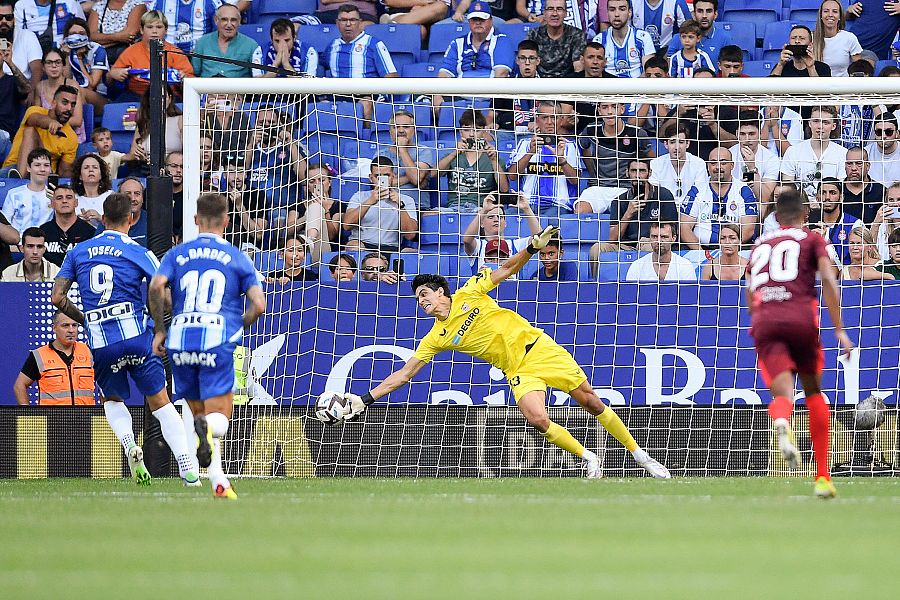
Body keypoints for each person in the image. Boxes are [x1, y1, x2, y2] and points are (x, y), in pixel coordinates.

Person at [336, 224, 671, 480]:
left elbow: (507, 269)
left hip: (539, 349)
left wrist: (531, 248)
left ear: (441, 292)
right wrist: (365, 399)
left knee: (592, 402)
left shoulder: (470, 292)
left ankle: (639, 455)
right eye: (417, 298)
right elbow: (404, 374)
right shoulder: (436, 337)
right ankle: (589, 458)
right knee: (537, 419)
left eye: (424, 294)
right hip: (517, 370)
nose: (421, 301)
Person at [51, 192, 199, 487]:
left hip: (102, 342)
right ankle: (187, 466)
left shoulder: (78, 252)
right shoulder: (138, 251)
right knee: (161, 403)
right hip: (136, 338)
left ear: (103, 219)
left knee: (112, 399)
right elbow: (160, 292)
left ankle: (130, 444)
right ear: (131, 219)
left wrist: (86, 319)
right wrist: (163, 326)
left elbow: (57, 297)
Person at [148, 192, 265, 499]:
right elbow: (259, 305)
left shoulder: (177, 253)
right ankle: (210, 439)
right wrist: (236, 327)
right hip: (216, 339)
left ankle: (218, 482)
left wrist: (160, 329)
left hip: (180, 340)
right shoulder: (237, 257)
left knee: (199, 415)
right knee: (219, 419)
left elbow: (156, 286)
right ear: (227, 221)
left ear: (195, 219)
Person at [747, 187, 854, 499]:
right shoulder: (812, 238)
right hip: (800, 319)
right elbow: (829, 280)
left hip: (765, 321)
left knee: (782, 393)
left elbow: (750, 289)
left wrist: (760, 319)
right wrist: (839, 330)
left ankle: (782, 419)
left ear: (776, 215)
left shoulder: (760, 244)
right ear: (806, 213)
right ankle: (822, 478)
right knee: (813, 392)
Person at [507, 99, 585, 215]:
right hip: (526, 203)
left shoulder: (569, 146)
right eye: (544, 118)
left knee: (550, 221)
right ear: (537, 120)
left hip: (557, 205)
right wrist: (530, 153)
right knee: (508, 216)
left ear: (561, 120)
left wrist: (561, 160)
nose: (549, 122)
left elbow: (575, 181)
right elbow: (512, 176)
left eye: (554, 117)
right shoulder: (524, 143)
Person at [327, 4, 398, 121]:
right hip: (339, 95)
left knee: (365, 103)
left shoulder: (373, 44)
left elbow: (391, 76)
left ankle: (366, 132)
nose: (348, 24)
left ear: (360, 22)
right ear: (337, 23)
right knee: (321, 104)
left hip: (367, 94)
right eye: (343, 20)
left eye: (352, 20)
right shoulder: (332, 46)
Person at [680, 146, 759, 249]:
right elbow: (684, 227)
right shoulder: (697, 190)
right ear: (708, 166)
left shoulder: (744, 191)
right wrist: (701, 253)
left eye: (723, 163)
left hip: (736, 249)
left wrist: (728, 250)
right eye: (713, 163)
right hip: (701, 250)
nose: (718, 167)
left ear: (732, 165)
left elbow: (748, 229)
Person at [108, 10, 194, 100]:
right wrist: (114, 74)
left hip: (169, 96)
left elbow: (191, 82)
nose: (154, 31)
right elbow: (110, 78)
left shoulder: (175, 52)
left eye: (159, 27)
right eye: (149, 27)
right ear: (141, 30)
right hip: (137, 95)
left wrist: (184, 79)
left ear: (166, 30)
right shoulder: (131, 51)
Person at [13, 311, 93, 406]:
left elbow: (104, 384)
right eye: (65, 325)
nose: (71, 330)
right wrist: (27, 414)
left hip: (85, 415)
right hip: (52, 415)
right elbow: (19, 386)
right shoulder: (39, 355)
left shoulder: (89, 351)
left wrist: (105, 412)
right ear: (54, 328)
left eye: (74, 325)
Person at [437, 108, 508, 212]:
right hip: (454, 207)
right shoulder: (452, 155)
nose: (471, 134)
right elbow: (433, 174)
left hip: (482, 208)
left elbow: (504, 189)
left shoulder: (493, 157)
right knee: (428, 215)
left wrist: (493, 161)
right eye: (466, 130)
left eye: (477, 130)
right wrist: (454, 153)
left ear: (484, 132)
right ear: (460, 132)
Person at [343, 156, 418, 253]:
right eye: (377, 176)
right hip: (363, 244)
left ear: (393, 176)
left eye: (386, 175)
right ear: (371, 178)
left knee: (412, 253)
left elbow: (410, 235)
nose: (382, 179)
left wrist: (400, 205)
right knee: (353, 247)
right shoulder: (359, 196)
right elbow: (347, 225)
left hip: (391, 247)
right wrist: (370, 201)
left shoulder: (406, 200)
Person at [1, 85, 78, 178]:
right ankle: (20, 177)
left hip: (43, 173)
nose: (69, 108)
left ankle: (19, 181)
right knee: (30, 131)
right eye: (65, 103)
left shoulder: (72, 137)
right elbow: (35, 119)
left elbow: (63, 171)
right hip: (13, 169)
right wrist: (50, 123)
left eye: (73, 104)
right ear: (54, 103)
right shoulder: (34, 110)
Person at [604, 158, 679, 249]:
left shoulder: (664, 196)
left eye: (642, 171)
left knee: (648, 247)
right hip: (625, 247)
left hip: (654, 244)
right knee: (598, 248)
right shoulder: (618, 201)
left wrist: (651, 240)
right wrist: (628, 214)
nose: (637, 176)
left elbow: (673, 231)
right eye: (633, 171)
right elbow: (612, 239)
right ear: (627, 173)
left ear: (650, 173)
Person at [780, 105, 848, 203]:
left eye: (825, 122)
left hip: (830, 207)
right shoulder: (793, 152)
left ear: (834, 126)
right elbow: (787, 189)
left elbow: (841, 191)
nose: (820, 126)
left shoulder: (843, 154)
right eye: (816, 121)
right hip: (798, 207)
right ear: (809, 123)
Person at [463, 192, 540, 274]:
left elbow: (540, 239)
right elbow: (467, 240)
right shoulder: (479, 246)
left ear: (505, 222)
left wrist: (527, 209)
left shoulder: (516, 245)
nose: (496, 219)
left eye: (500, 217)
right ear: (481, 223)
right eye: (491, 217)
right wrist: (484, 210)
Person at [579, 101, 652, 188]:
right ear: (599, 111)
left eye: (614, 107)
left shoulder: (637, 133)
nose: (610, 112)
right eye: (605, 107)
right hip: (598, 186)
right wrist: (593, 174)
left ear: (622, 109)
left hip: (626, 187)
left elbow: (651, 159)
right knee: (583, 198)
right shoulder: (591, 129)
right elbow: (583, 148)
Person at [286, 162, 344, 263]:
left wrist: (325, 211)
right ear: (307, 186)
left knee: (316, 207)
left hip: (325, 253)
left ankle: (310, 240)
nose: (317, 184)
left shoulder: (338, 205)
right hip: (300, 253)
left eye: (321, 180)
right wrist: (308, 216)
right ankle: (309, 240)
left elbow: (332, 236)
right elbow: (288, 231)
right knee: (315, 206)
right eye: (312, 181)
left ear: (329, 182)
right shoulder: (298, 205)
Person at [375, 109, 434, 210]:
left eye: (406, 127)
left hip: (416, 208)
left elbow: (416, 178)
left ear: (414, 130)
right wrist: (408, 178)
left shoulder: (423, 151)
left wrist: (402, 149)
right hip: (386, 207)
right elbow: (380, 185)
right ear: (390, 131)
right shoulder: (380, 154)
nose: (401, 130)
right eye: (396, 127)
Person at [191, 4, 262, 78]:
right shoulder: (202, 42)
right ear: (216, 20)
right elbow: (194, 74)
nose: (229, 25)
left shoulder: (251, 45)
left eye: (233, 20)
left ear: (239, 22)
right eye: (224, 20)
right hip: (207, 85)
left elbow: (258, 79)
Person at [33, 48, 85, 143]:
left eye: (58, 62)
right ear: (43, 67)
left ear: (63, 66)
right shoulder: (40, 87)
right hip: (48, 135)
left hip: (71, 136)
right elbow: (36, 115)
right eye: (49, 62)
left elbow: (77, 120)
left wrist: (54, 124)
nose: (54, 66)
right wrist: (50, 124)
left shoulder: (72, 85)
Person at [524, 0, 587, 78]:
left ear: (566, 13)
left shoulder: (577, 35)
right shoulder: (533, 34)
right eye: (550, 9)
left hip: (568, 82)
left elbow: (578, 69)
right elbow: (527, 64)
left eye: (559, 9)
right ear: (544, 13)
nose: (554, 14)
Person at [593, 0, 655, 78]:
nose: (616, 14)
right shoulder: (599, 40)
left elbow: (649, 72)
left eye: (622, 9)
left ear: (630, 12)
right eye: (612, 10)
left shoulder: (643, 37)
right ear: (607, 13)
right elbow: (595, 73)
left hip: (637, 85)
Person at [649, 121, 708, 203]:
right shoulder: (655, 164)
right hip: (664, 208)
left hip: (693, 208)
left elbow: (701, 194)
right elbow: (654, 194)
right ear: (666, 144)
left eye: (681, 142)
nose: (677, 147)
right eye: (672, 142)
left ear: (687, 143)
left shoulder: (699, 164)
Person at [731, 112, 780, 209]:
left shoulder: (771, 159)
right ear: (737, 134)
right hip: (732, 202)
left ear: (760, 133)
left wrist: (751, 168)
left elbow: (765, 198)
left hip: (757, 205)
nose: (747, 139)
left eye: (751, 134)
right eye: (742, 134)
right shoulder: (729, 155)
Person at [40, 184, 96, 266]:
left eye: (69, 197)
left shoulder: (90, 232)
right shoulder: (43, 231)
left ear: (76, 202)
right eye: (59, 198)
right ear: (52, 204)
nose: (64, 201)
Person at [492, 40, 540, 134]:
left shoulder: (548, 84)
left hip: (540, 132)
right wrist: (491, 124)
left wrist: (539, 123)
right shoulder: (505, 84)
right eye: (523, 58)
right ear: (517, 60)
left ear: (538, 61)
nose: (527, 63)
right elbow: (491, 115)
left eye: (531, 58)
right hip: (510, 133)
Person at [62, 17, 110, 111]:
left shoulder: (98, 50)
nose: (77, 36)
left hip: (99, 96)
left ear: (87, 35)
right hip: (71, 95)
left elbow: (92, 85)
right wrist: (66, 57)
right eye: (73, 34)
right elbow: (66, 81)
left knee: (78, 92)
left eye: (81, 33)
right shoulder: (64, 50)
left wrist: (79, 59)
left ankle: (80, 120)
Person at [1, 148, 53, 232]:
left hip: (46, 239)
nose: (42, 169)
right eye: (37, 165)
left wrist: (56, 202)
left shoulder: (55, 195)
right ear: (28, 168)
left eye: (46, 165)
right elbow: (5, 225)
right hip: (18, 239)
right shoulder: (14, 194)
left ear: (50, 169)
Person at [625, 221, 696, 281]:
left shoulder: (685, 266)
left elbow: (689, 293)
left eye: (664, 237)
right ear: (649, 238)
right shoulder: (637, 266)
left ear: (673, 238)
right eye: (654, 236)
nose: (658, 241)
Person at [665, 0, 730, 64]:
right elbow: (670, 67)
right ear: (694, 14)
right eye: (700, 11)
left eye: (708, 11)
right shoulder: (678, 38)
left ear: (715, 14)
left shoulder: (724, 38)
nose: (704, 16)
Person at [87, 0, 146, 65]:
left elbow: (130, 35)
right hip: (100, 56)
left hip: (126, 54)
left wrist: (102, 41)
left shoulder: (137, 5)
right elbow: (92, 36)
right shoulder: (99, 6)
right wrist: (118, 37)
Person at [812, 0, 862, 78]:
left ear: (840, 17)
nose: (830, 15)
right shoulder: (810, 38)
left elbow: (859, 68)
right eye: (826, 11)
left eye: (835, 11)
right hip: (818, 84)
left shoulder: (849, 37)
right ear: (821, 15)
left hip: (843, 84)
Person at [0, 0, 42, 86]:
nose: (4, 21)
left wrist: (32, 91)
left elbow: (37, 68)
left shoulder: (27, 36)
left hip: (21, 88)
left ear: (14, 19)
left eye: (8, 17)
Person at [15, 0, 85, 50]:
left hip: (66, 54)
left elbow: (84, 31)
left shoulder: (70, 3)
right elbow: (18, 39)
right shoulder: (21, 5)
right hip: (35, 56)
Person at [841, 146, 885, 225]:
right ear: (845, 166)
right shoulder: (837, 191)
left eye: (859, 163)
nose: (854, 168)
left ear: (868, 166)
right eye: (849, 164)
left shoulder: (881, 191)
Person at [71, 153, 112, 226]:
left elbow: (117, 224)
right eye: (86, 167)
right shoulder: (72, 198)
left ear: (101, 174)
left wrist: (100, 218)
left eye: (95, 167)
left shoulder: (111, 196)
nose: (91, 170)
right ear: (80, 176)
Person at [864, 113, 900, 187]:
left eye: (888, 132)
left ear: (897, 133)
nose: (883, 136)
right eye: (879, 132)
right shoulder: (865, 154)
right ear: (874, 133)